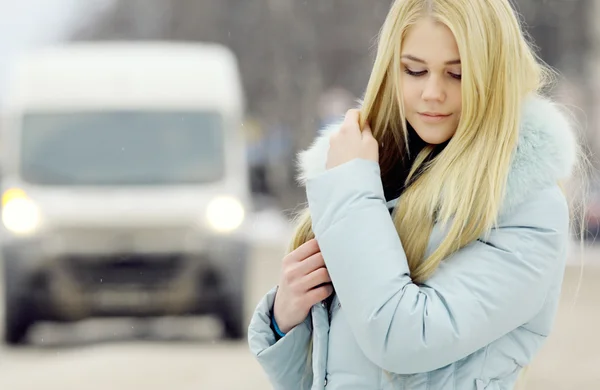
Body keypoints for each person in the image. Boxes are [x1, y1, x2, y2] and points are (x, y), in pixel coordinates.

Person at [248, 0, 582, 388]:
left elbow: (404, 339)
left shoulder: (526, 208)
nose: (432, 92)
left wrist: (351, 190)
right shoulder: (378, 176)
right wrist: (286, 317)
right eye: (415, 70)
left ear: (494, 77)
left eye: (457, 74)